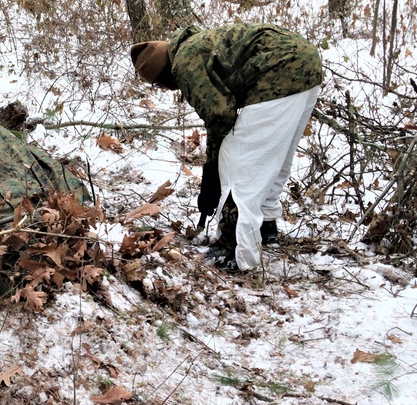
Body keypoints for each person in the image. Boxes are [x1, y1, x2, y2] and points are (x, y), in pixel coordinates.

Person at [130, 23, 323, 271]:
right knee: (274, 158)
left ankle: (234, 249)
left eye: (159, 84)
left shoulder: (184, 64)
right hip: (307, 62)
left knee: (239, 164)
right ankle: (266, 226)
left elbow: (220, 115)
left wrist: (213, 171)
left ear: (164, 73)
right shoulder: (196, 44)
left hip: (278, 70)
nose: (165, 89)